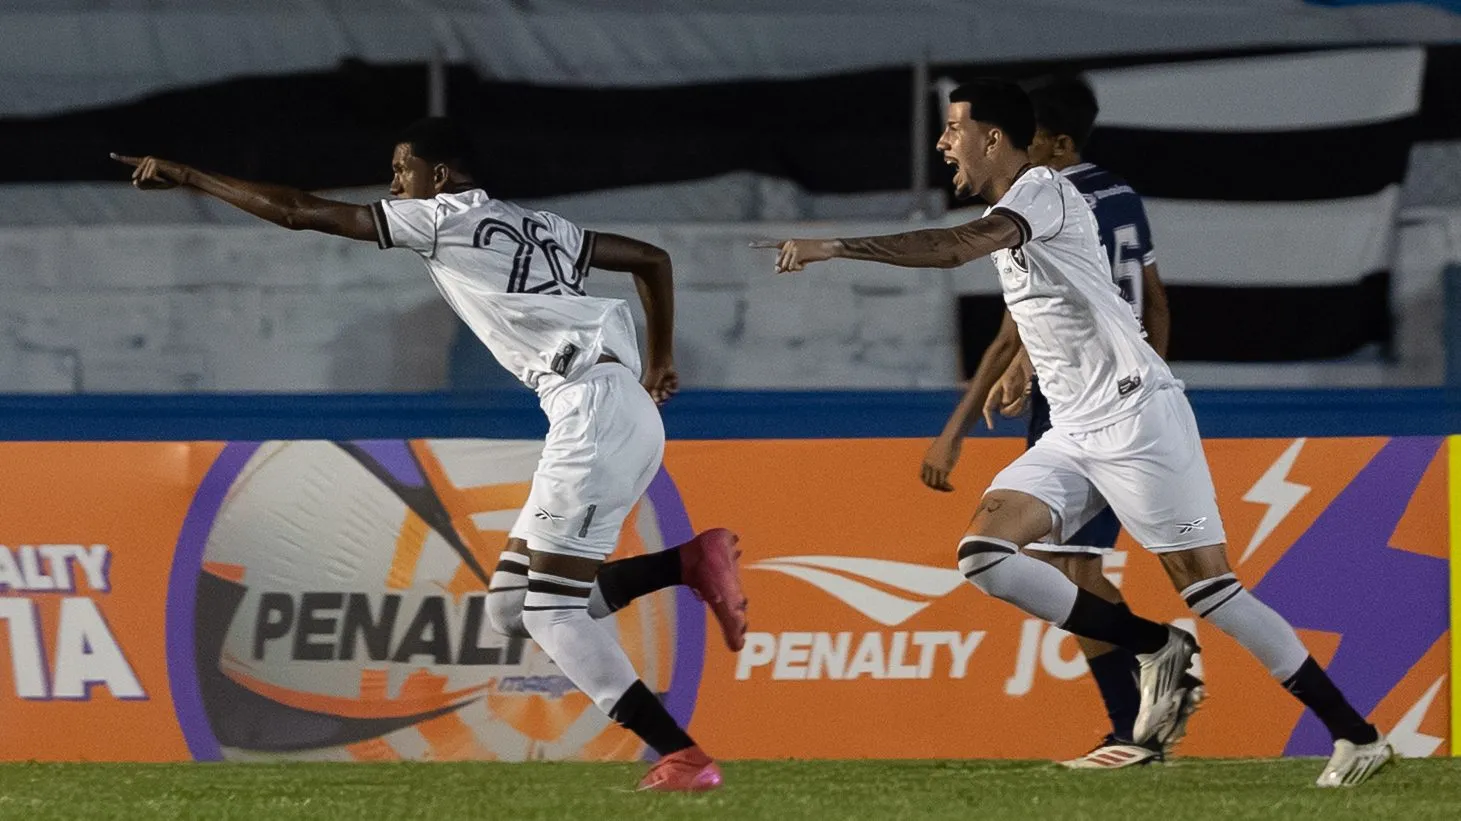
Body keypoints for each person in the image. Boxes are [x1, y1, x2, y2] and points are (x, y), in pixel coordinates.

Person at [754, 79, 1392, 787]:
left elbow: (952, 247)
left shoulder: (1041, 191)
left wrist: (833, 244)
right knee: (984, 555)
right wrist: (1027, 361)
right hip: (1072, 427)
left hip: (1135, 419)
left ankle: (1354, 733)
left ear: (992, 138)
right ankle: (1155, 645)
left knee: (1212, 590)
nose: (942, 143)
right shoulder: (1018, 204)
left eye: (952, 128)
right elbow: (1065, 293)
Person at [113, 117, 746, 792]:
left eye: (400, 168)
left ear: (437, 177)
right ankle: (686, 560)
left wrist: (190, 176)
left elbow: (299, 212)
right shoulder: (540, 225)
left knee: (551, 611)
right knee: (510, 604)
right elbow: (652, 258)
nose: (393, 182)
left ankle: (681, 754)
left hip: (592, 410)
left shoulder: (441, 219)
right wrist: (660, 359)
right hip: (611, 406)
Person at [922, 77, 1193, 769]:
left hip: (1086, 401)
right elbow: (1153, 302)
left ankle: (1142, 704)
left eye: (1026, 138)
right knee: (1069, 566)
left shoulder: (1049, 200)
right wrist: (1150, 380)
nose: (1012, 149)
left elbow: (1014, 324)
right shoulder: (1120, 195)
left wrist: (957, 428)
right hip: (1119, 393)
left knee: (1071, 570)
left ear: (1057, 142)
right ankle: (1137, 718)